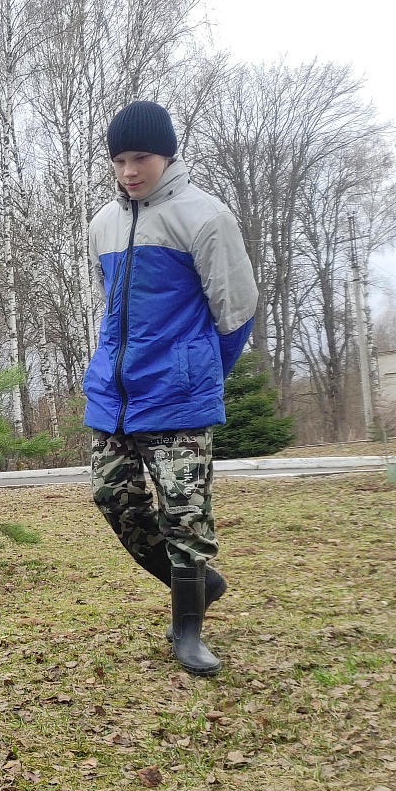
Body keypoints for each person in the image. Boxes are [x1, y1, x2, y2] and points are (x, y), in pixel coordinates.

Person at [83, 100, 257, 676]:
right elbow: (113, 310)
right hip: (116, 394)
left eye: (141, 158)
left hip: (178, 391)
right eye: (120, 160)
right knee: (114, 497)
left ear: (168, 155)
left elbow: (234, 314)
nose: (130, 171)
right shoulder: (103, 225)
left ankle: (188, 630)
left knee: (185, 513)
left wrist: (197, 371)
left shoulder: (206, 218)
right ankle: (199, 585)